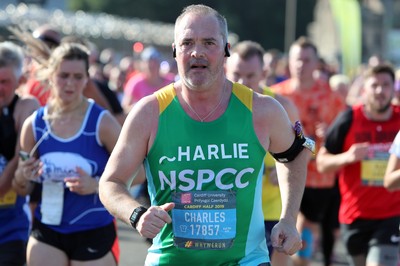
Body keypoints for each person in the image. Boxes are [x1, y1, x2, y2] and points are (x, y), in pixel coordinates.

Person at [99, 4, 312, 266]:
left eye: (209, 42)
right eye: (187, 42)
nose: (197, 52)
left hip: (245, 260)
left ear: (226, 51)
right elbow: (111, 182)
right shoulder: (149, 113)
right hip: (171, 260)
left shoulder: (261, 110)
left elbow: (295, 155)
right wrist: (137, 214)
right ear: (175, 51)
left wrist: (289, 219)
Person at [12, 42, 121, 266]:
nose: (70, 83)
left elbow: (137, 171)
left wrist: (96, 185)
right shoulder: (34, 126)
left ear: (86, 79)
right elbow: (22, 188)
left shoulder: (102, 122)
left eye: (78, 77)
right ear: (51, 76)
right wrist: (23, 176)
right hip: (48, 228)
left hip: (94, 228)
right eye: (63, 75)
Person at [271, 36, 346, 266]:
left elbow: (341, 138)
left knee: (308, 228)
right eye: (296, 59)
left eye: (306, 59)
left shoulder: (332, 98)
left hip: (318, 177)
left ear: (316, 64)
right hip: (279, 174)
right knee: (284, 226)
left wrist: (326, 135)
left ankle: (302, 262)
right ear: (289, 63)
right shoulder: (275, 95)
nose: (301, 64)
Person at [225, 40, 300, 266]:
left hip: (269, 210)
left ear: (264, 73)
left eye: (250, 76)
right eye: (236, 74)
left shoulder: (280, 106)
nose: (242, 82)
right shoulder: (216, 106)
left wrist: (283, 167)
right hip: (228, 207)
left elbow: (303, 152)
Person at [317, 64, 400, 266]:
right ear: (365, 89)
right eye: (375, 85)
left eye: (385, 85)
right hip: (355, 215)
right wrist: (347, 157)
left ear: (393, 88)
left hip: (392, 215)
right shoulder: (348, 119)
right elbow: (321, 163)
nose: (380, 91)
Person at [0, 41, 39, 266]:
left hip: (11, 224)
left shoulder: (25, 106)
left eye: (4, 82)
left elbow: (21, 157)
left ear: (19, 81)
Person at [121, 46, 173, 112]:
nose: (152, 66)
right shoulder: (135, 82)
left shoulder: (170, 82)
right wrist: (143, 107)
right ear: (143, 65)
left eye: (155, 63)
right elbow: (125, 108)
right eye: (149, 65)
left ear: (159, 64)